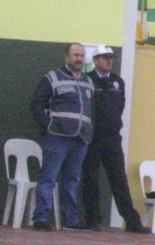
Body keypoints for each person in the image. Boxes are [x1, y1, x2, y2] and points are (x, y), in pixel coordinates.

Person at [77, 46, 148, 234]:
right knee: (91, 179)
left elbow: (119, 107)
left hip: (112, 139)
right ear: (95, 60)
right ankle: (92, 220)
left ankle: (132, 222)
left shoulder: (118, 82)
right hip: (92, 138)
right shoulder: (87, 80)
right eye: (104, 58)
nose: (109, 61)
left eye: (111, 58)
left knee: (119, 180)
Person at [28, 42, 94, 231]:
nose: (79, 59)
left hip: (81, 138)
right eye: (75, 55)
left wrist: (89, 129)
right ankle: (40, 218)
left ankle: (70, 221)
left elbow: (92, 110)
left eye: (82, 55)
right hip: (57, 137)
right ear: (67, 57)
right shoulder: (52, 77)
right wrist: (48, 124)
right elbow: (36, 105)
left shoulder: (88, 82)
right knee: (48, 178)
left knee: (72, 181)